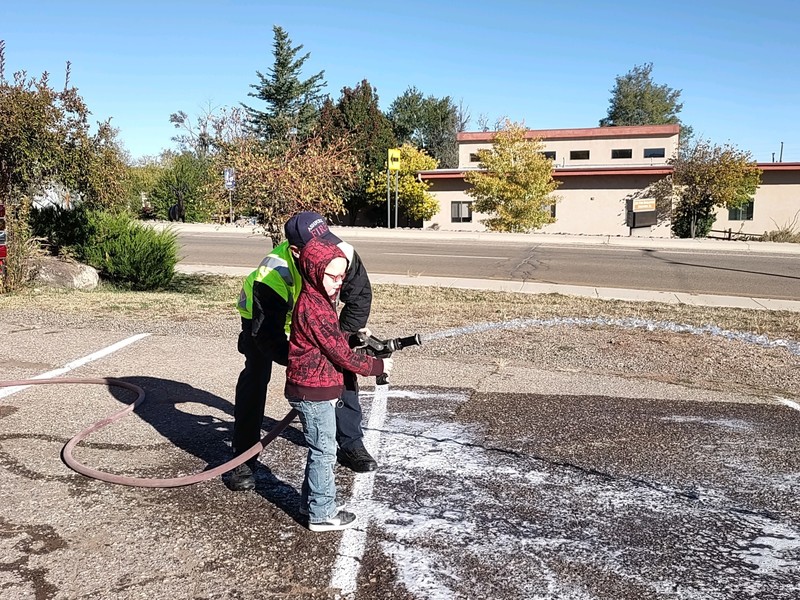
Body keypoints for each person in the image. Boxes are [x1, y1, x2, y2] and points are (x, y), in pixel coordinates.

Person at [228, 211, 377, 491]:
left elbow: (360, 298)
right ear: (296, 251)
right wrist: (305, 359)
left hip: (314, 316)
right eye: (316, 246)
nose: (328, 249)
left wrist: (336, 345)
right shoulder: (272, 273)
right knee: (256, 375)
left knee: (340, 362)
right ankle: (243, 457)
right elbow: (268, 337)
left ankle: (351, 444)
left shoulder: (342, 252)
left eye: (328, 240)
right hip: (263, 323)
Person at [286, 237, 391, 530]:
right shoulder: (315, 308)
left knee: (320, 449)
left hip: (316, 388)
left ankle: (313, 503)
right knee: (324, 452)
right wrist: (377, 365)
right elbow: (340, 355)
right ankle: (322, 514)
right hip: (313, 392)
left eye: (342, 277)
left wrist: (354, 337)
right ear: (313, 270)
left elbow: (333, 342)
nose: (339, 283)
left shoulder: (321, 300)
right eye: (332, 276)